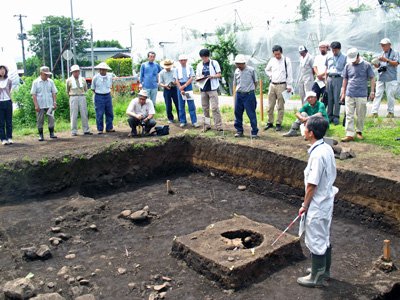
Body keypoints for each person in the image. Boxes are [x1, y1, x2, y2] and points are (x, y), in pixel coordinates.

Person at [297, 115, 337, 288]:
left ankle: (316, 277)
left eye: (305, 127)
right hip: (326, 199)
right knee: (324, 236)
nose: (303, 129)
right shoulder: (325, 147)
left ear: (311, 133)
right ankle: (322, 271)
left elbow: (312, 185)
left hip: (318, 202)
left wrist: (304, 205)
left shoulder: (317, 155)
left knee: (316, 238)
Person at [341, 48, 375, 142]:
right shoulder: (348, 65)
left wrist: (372, 91)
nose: (353, 62)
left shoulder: (366, 65)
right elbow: (345, 79)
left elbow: (372, 78)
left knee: (361, 114)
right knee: (349, 114)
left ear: (358, 56)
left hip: (361, 93)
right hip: (350, 92)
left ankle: (359, 132)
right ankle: (349, 134)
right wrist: (343, 92)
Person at [264, 45, 293, 131]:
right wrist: (271, 75)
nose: (277, 56)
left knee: (280, 105)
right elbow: (267, 70)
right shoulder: (272, 61)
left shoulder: (286, 60)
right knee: (270, 105)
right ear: (273, 54)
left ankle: (278, 123)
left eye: (278, 54)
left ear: (281, 52)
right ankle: (270, 122)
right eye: (275, 54)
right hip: (272, 84)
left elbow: (290, 74)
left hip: (282, 85)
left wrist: (289, 85)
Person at [371, 38, 399, 118]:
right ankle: (374, 112)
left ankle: (390, 112)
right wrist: (376, 64)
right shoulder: (381, 53)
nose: (382, 47)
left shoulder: (395, 53)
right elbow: (380, 65)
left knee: (390, 95)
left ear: (389, 45)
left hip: (390, 77)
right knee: (378, 94)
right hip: (381, 77)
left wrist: (386, 60)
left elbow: (396, 63)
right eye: (381, 45)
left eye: (384, 45)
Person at [195, 48, 223, 131]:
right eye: (203, 57)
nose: (204, 59)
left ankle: (218, 126)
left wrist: (212, 76)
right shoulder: (199, 65)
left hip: (212, 88)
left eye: (205, 57)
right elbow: (197, 76)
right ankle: (206, 125)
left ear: (208, 56)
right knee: (205, 108)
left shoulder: (214, 63)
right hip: (203, 88)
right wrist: (199, 78)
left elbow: (219, 74)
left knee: (215, 108)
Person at [232, 54, 259, 138]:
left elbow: (256, 81)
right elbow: (235, 83)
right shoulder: (236, 71)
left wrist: (251, 90)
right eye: (237, 64)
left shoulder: (251, 70)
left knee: (251, 113)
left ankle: (254, 131)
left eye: (240, 63)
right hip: (239, 94)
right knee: (237, 112)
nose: (239, 65)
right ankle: (239, 130)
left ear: (244, 63)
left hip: (249, 94)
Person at [31, 66, 58, 142]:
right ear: (41, 73)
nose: (47, 76)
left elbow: (54, 92)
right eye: (45, 74)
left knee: (51, 119)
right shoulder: (36, 82)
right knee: (40, 120)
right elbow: (33, 95)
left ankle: (51, 133)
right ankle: (41, 134)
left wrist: (54, 102)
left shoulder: (51, 81)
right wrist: (36, 105)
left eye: (48, 74)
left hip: (49, 104)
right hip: (40, 104)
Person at [66, 64, 92, 136]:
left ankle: (86, 129)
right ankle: (74, 131)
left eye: (77, 71)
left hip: (82, 96)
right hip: (73, 96)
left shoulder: (83, 79)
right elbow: (67, 90)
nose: (76, 73)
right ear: (72, 72)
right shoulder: (69, 80)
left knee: (84, 113)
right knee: (73, 114)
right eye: (74, 72)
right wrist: (71, 96)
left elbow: (85, 89)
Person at [174, 54, 199, 128]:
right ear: (179, 61)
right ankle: (183, 121)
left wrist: (184, 86)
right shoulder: (177, 69)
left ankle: (194, 121)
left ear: (186, 60)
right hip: (180, 85)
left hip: (187, 86)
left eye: (184, 60)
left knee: (191, 104)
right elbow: (176, 79)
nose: (183, 62)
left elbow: (191, 78)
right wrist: (180, 88)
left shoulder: (190, 67)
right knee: (181, 104)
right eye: (181, 60)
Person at [326, 41, 346, 125]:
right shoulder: (329, 56)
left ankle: (336, 116)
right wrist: (325, 79)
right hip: (329, 78)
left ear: (339, 49)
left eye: (335, 50)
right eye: (333, 50)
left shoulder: (344, 57)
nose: (334, 52)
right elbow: (326, 67)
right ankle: (329, 115)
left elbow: (345, 70)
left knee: (337, 98)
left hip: (338, 78)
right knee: (329, 98)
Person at [91, 62, 115, 134]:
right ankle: (100, 129)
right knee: (99, 113)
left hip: (107, 94)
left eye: (104, 69)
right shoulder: (95, 78)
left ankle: (109, 127)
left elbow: (113, 83)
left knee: (109, 112)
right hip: (99, 95)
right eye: (101, 69)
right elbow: (93, 88)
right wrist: (98, 93)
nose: (102, 71)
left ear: (106, 70)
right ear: (99, 70)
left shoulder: (110, 76)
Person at [158, 59, 179, 123]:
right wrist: (165, 86)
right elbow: (160, 83)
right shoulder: (161, 73)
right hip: (166, 89)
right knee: (168, 104)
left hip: (174, 88)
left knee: (177, 103)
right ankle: (170, 118)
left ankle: (180, 117)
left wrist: (175, 82)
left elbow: (177, 79)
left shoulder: (175, 71)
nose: (168, 68)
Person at [312, 41, 329, 106]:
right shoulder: (317, 57)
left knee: (325, 97)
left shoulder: (329, 56)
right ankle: (314, 112)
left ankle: (322, 112)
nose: (322, 49)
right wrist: (318, 74)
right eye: (321, 47)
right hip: (318, 80)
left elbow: (328, 68)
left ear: (327, 48)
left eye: (324, 47)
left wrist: (322, 75)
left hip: (325, 80)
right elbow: (315, 67)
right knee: (313, 95)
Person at [0, 65, 13, 145]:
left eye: (3, 69)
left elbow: (10, 89)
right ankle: (3, 139)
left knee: (9, 121)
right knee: (1, 122)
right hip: (0, 102)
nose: (2, 71)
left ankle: (9, 137)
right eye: (1, 69)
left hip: (8, 101)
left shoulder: (9, 80)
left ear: (6, 71)